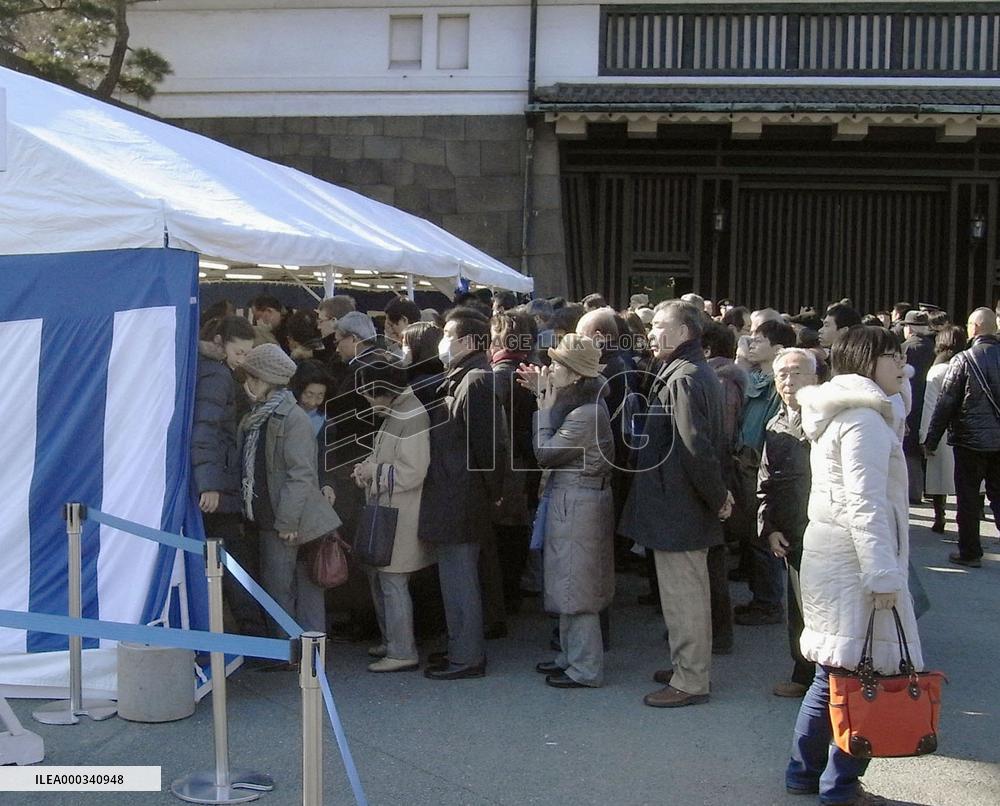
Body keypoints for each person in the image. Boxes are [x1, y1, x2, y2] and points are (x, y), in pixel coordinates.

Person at [786, 325, 924, 806]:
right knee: (862, 673)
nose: (902, 365)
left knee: (833, 671)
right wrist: (883, 574)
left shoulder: (846, 410)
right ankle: (840, 785)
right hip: (856, 561)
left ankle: (805, 773)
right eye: (893, 356)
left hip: (837, 556)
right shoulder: (863, 420)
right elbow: (864, 503)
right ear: (868, 360)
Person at [618, 301, 732, 708]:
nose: (651, 333)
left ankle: (690, 678)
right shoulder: (688, 371)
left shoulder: (684, 377)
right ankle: (687, 666)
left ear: (685, 332)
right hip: (679, 503)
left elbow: (694, 447)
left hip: (678, 505)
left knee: (685, 597)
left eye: (661, 327)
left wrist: (718, 496)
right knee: (688, 594)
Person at [419, 307, 507, 680]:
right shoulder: (462, 377)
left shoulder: (476, 381)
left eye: (449, 336)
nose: (444, 342)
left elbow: (490, 448)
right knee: (454, 579)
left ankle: (467, 656)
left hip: (463, 495)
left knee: (460, 581)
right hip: (453, 493)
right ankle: (460, 647)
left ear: (469, 341)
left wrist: (494, 492)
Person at [238, 343, 342, 642]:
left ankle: (292, 650)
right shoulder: (259, 415)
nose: (248, 384)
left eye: (253, 378)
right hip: (266, 513)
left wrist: (287, 521)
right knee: (279, 583)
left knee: (282, 585)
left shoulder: (291, 418)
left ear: (267, 380)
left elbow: (300, 474)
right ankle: (294, 648)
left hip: (284, 518)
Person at [530, 335, 615, 688]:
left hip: (577, 504)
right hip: (575, 502)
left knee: (577, 588)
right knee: (568, 583)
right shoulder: (586, 406)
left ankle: (584, 668)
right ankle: (570, 658)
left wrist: (543, 413)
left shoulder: (586, 414)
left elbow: (545, 452)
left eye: (558, 366)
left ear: (576, 376)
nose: (551, 370)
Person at [350, 354, 433, 673]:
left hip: (399, 513)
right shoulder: (401, 410)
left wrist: (373, 470)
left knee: (393, 582)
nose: (369, 402)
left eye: (370, 394)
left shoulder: (410, 414)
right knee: (383, 579)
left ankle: (401, 649)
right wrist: (368, 470)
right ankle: (393, 642)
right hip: (390, 510)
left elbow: (413, 472)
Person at [194, 315, 267, 636]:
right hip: (219, 487)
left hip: (214, 482)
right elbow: (206, 432)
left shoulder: (205, 367)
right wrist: (210, 484)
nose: (244, 359)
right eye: (239, 352)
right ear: (221, 343)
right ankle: (257, 640)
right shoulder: (217, 376)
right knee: (235, 563)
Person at [757, 348, 819, 698]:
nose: (789, 381)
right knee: (797, 607)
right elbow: (765, 481)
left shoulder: (825, 420)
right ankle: (803, 673)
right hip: (793, 531)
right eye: (782, 375)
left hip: (825, 527)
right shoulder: (775, 422)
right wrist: (769, 527)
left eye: (797, 373)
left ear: (814, 378)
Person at [923, 307, 1000, 568]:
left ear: (975, 327)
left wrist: (932, 439)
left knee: (967, 498)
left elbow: (946, 404)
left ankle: (970, 551)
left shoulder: (963, 360)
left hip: (969, 440)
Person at [735, 319, 797, 626]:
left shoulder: (779, 383)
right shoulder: (756, 376)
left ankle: (769, 603)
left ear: (778, 349)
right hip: (746, 461)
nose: (751, 345)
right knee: (752, 535)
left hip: (762, 463)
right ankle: (762, 597)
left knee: (762, 535)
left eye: (758, 341)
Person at [490, 310, 539, 615]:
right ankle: (513, 591)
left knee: (505, 534)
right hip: (528, 463)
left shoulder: (499, 376)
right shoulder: (533, 370)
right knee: (517, 531)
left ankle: (507, 595)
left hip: (510, 467)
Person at [918, 325, 966, 533]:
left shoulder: (936, 371)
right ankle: (971, 516)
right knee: (968, 480)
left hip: (941, 428)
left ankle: (940, 517)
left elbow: (930, 405)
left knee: (939, 476)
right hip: (966, 427)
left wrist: (925, 436)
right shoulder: (968, 363)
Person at [901, 310, 937, 504]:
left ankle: (913, 491)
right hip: (930, 402)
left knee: (909, 448)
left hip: (911, 402)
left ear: (910, 328)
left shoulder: (905, 348)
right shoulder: (935, 347)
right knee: (928, 445)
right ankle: (932, 489)